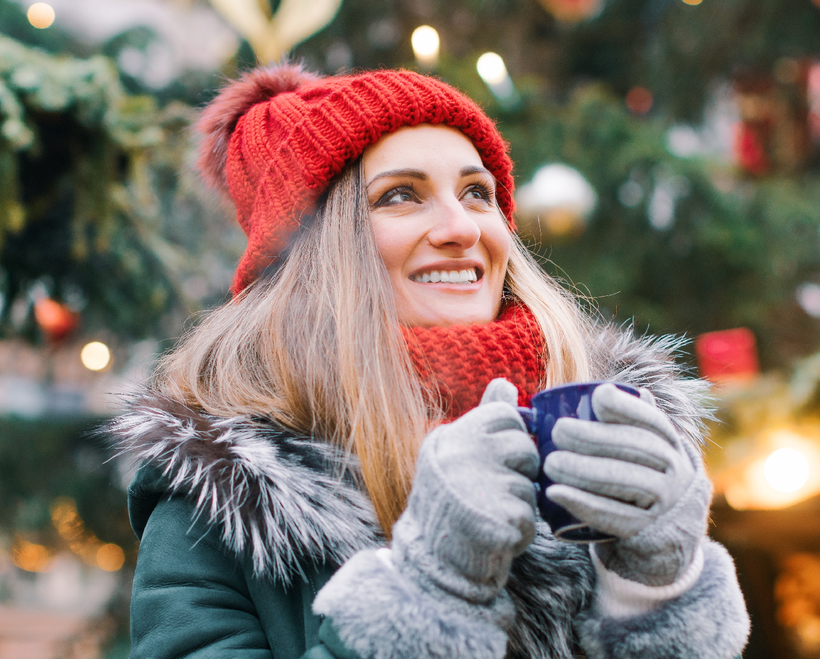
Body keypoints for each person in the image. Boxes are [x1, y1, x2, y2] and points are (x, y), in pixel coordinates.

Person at [105, 65, 750, 659]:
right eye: (400, 196)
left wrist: (659, 593)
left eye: (477, 193)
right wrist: (427, 590)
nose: (462, 227)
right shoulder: (221, 503)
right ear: (316, 254)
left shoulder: (599, 430)